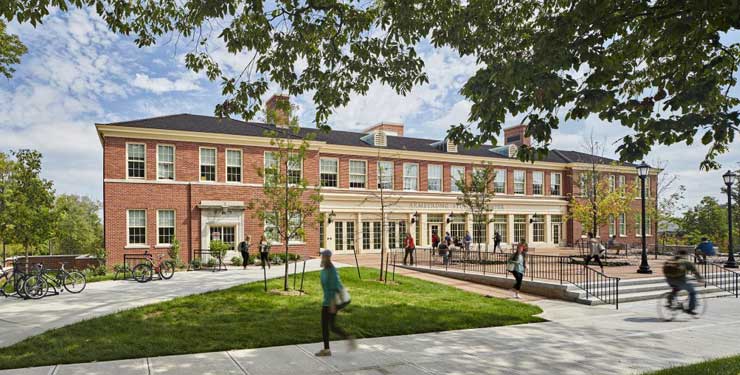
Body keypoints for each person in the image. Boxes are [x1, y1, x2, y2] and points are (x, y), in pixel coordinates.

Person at [315, 249, 356, 356]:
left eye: (324, 256)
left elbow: (334, 287)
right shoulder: (324, 270)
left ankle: (327, 349)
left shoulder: (331, 270)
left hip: (330, 302)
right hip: (327, 301)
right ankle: (348, 338)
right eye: (322, 256)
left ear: (328, 257)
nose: (322, 258)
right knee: (331, 326)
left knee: (326, 326)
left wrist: (333, 304)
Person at [663, 248, 704, 315]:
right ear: (686, 255)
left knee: (675, 289)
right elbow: (695, 272)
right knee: (692, 292)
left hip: (669, 280)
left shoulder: (670, 260)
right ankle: (690, 309)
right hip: (680, 281)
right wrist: (700, 279)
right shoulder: (686, 262)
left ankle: (669, 302)